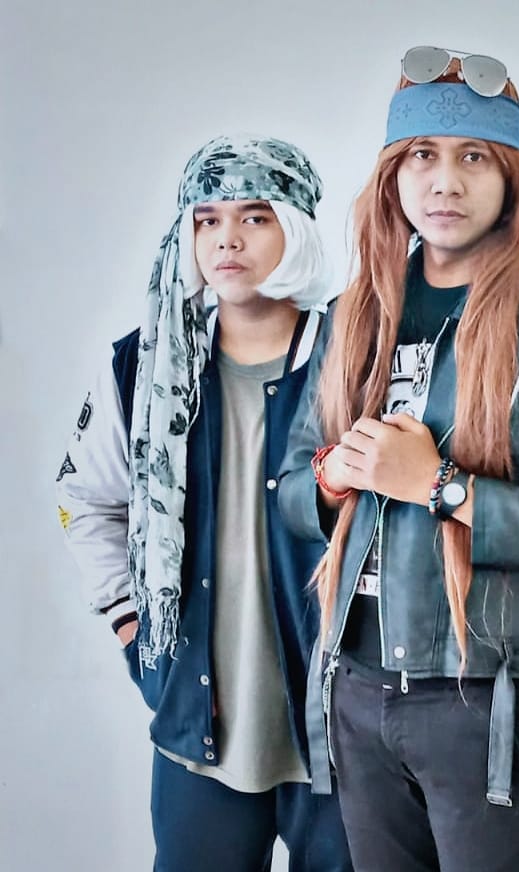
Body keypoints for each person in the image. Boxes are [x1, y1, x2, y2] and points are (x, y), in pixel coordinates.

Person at [277, 46, 519, 872]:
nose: (445, 182)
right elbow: (292, 495)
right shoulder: (353, 317)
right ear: (392, 176)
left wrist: (442, 488)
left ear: (510, 178)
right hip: (357, 686)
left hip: (485, 698)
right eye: (423, 155)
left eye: (474, 157)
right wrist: (336, 475)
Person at [56, 135, 353, 871]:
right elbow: (85, 501)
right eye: (207, 219)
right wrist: (132, 629)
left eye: (255, 216)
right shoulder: (142, 367)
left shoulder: (356, 361)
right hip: (200, 725)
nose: (227, 239)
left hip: (344, 726)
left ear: (296, 229)